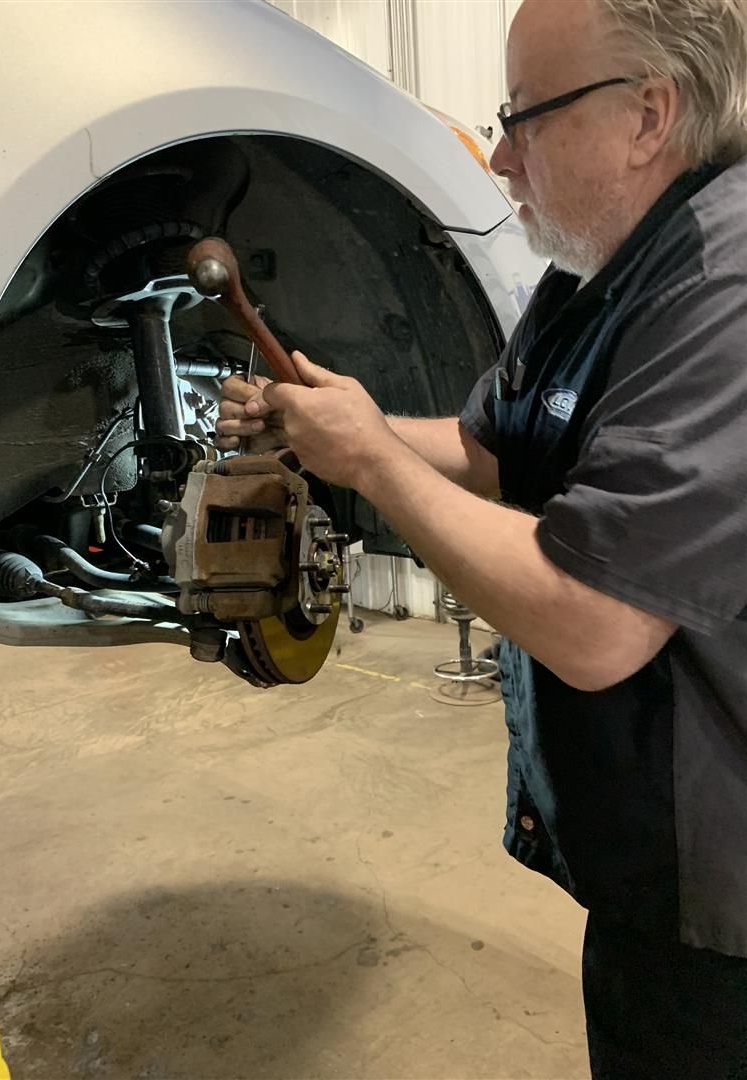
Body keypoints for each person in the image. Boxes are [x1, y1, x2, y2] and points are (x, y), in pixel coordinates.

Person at [217, 0, 747, 1075]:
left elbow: (597, 625)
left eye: (525, 118)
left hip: (725, 902)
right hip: (654, 859)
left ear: (648, 115)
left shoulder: (721, 293)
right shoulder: (597, 268)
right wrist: (327, 422)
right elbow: (490, 448)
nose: (500, 159)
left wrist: (370, 460)